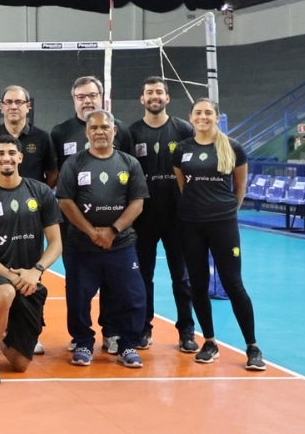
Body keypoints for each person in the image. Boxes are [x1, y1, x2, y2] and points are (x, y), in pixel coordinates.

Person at [173, 99, 265, 371]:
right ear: (191, 117)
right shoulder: (182, 150)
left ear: (216, 116)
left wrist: (223, 213)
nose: (203, 117)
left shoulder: (233, 147)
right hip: (190, 225)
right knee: (198, 284)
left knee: (233, 283)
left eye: (208, 112)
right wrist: (197, 210)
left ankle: (253, 347)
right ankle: (209, 341)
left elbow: (240, 188)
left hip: (223, 224)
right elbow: (182, 186)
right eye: (198, 112)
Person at [0, 135, 62, 386]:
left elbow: (56, 243)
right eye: (0, 153)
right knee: (6, 293)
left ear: (20, 157)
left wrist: (36, 271)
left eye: (11, 152)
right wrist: (12, 276)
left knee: (20, 365)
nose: (6, 157)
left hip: (31, 278)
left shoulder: (40, 192)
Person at [56, 110, 148, 369]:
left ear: (114, 131)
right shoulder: (74, 163)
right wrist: (92, 232)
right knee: (78, 296)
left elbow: (137, 203)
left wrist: (112, 231)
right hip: (81, 245)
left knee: (133, 295)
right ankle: (83, 341)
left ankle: (128, 344)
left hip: (121, 243)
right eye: (94, 128)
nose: (99, 132)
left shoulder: (129, 163)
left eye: (104, 127)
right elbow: (65, 201)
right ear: (86, 132)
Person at [49, 75, 134, 354]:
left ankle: (112, 332)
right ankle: (81, 336)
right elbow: (54, 177)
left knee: (113, 283)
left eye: (92, 95)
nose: (87, 100)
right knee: (79, 284)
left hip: (115, 229)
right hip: (75, 225)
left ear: (102, 97)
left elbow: (130, 175)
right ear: (74, 99)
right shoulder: (60, 132)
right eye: (81, 96)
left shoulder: (120, 128)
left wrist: (115, 228)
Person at [127, 77, 197, 353]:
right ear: (141, 99)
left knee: (181, 277)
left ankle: (187, 331)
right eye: (149, 93)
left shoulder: (183, 129)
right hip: (143, 218)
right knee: (144, 276)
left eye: (159, 92)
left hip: (178, 217)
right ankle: (144, 328)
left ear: (167, 98)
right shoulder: (131, 133)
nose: (154, 96)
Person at [0, 85, 57, 188]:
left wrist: (39, 195)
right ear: (2, 107)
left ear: (28, 106)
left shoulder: (43, 138)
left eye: (19, 102)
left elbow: (52, 174)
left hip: (33, 202)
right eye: (8, 102)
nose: (13, 107)